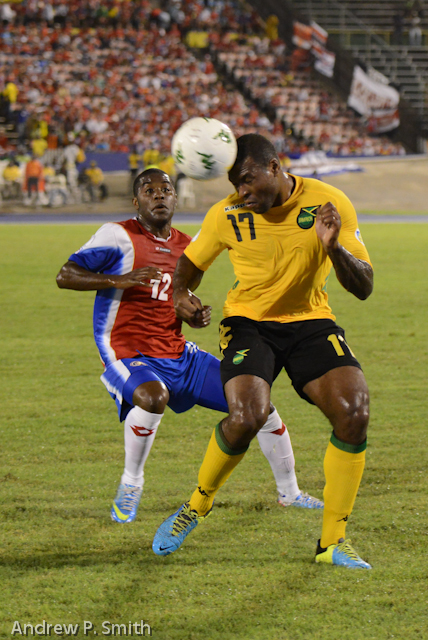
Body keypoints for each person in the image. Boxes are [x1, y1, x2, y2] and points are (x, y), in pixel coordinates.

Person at [152, 134, 374, 569]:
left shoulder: (329, 203)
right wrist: (181, 295)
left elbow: (364, 286)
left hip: (310, 321)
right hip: (247, 323)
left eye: (249, 180)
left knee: (355, 412)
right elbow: (191, 264)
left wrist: (335, 248)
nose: (243, 192)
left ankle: (332, 543)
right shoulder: (226, 214)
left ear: (276, 167)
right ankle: (195, 506)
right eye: (236, 183)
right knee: (247, 416)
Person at [56, 168, 323, 525]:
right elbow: (66, 275)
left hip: (179, 351)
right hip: (126, 350)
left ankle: (290, 493)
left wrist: (193, 313)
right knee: (153, 398)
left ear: (176, 198)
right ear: (136, 201)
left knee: (258, 408)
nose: (159, 195)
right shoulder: (117, 235)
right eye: (149, 191)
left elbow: (175, 295)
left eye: (165, 189)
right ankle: (131, 484)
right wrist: (121, 279)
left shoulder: (187, 246)